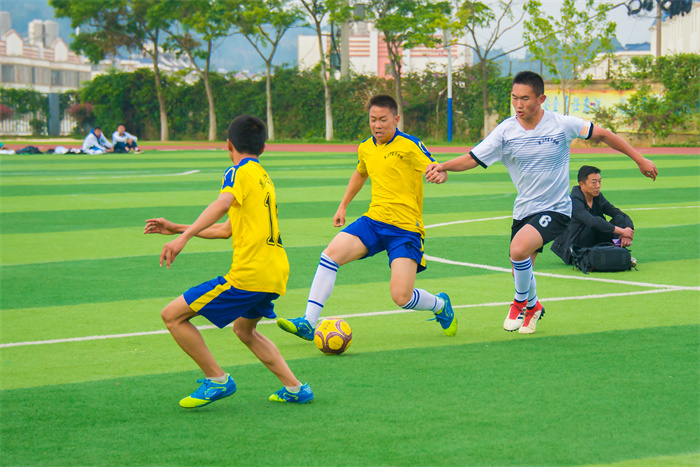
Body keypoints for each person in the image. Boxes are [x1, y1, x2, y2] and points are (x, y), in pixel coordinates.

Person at [426, 71, 657, 335]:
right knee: (519, 271)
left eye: (525, 98)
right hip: (524, 209)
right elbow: (472, 158)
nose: (518, 104)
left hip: (556, 209)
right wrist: (443, 166)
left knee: (518, 250)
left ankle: (518, 303)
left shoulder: (562, 124)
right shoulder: (505, 131)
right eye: (514, 98)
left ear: (541, 99)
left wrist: (640, 159)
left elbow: (603, 135)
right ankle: (534, 306)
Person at [144, 115, 313, 408]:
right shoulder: (263, 177)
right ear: (263, 147)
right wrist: (177, 228)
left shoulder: (236, 172)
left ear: (228, 145)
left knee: (172, 316)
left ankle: (217, 379)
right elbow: (226, 230)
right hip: (275, 270)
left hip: (250, 273)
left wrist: (183, 239)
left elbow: (222, 204)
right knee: (244, 330)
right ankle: (296, 388)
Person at [276, 94, 456, 341]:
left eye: (383, 119)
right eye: (373, 119)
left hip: (405, 229)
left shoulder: (410, 145)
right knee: (329, 255)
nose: (377, 125)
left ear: (396, 119)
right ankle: (308, 321)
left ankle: (440, 305)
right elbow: (361, 173)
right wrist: (342, 206)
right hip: (373, 221)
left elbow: (436, 169)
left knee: (401, 297)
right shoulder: (365, 147)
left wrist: (440, 176)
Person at [551, 165, 635, 265]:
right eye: (594, 182)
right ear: (582, 184)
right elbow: (592, 221)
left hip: (594, 239)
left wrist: (628, 231)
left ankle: (617, 251)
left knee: (619, 218)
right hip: (575, 246)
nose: (598, 186)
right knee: (593, 224)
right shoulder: (573, 201)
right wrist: (622, 231)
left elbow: (619, 213)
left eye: (599, 182)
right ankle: (604, 254)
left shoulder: (597, 197)